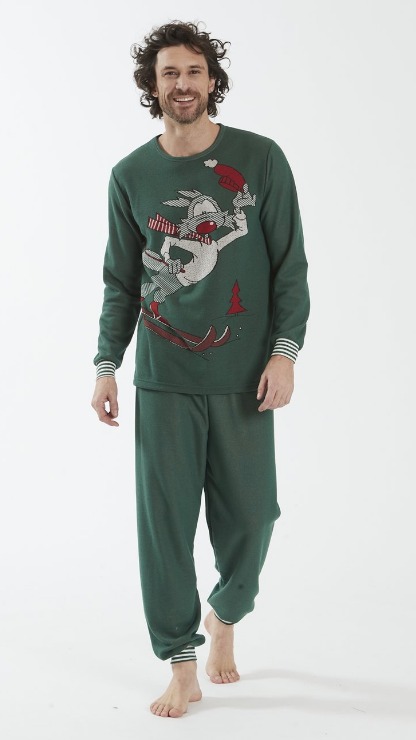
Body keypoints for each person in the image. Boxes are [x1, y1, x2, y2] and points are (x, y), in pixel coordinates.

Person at [91, 20, 310, 718]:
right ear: (152, 86)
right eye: (169, 74)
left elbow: (290, 268)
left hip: (246, 379)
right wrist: (105, 364)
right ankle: (181, 663)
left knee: (255, 516)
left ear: (211, 79)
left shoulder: (260, 159)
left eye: (193, 71)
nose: (181, 84)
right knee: (164, 526)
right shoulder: (130, 175)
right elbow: (121, 282)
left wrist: (284, 353)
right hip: (164, 380)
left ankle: (226, 612)